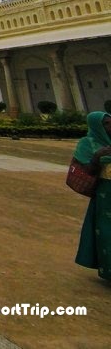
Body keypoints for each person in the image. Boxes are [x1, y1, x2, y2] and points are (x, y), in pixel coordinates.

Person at [74, 111, 111, 281]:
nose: (110, 127)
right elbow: (86, 170)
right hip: (105, 195)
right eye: (106, 124)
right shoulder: (87, 143)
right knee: (106, 233)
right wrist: (97, 157)